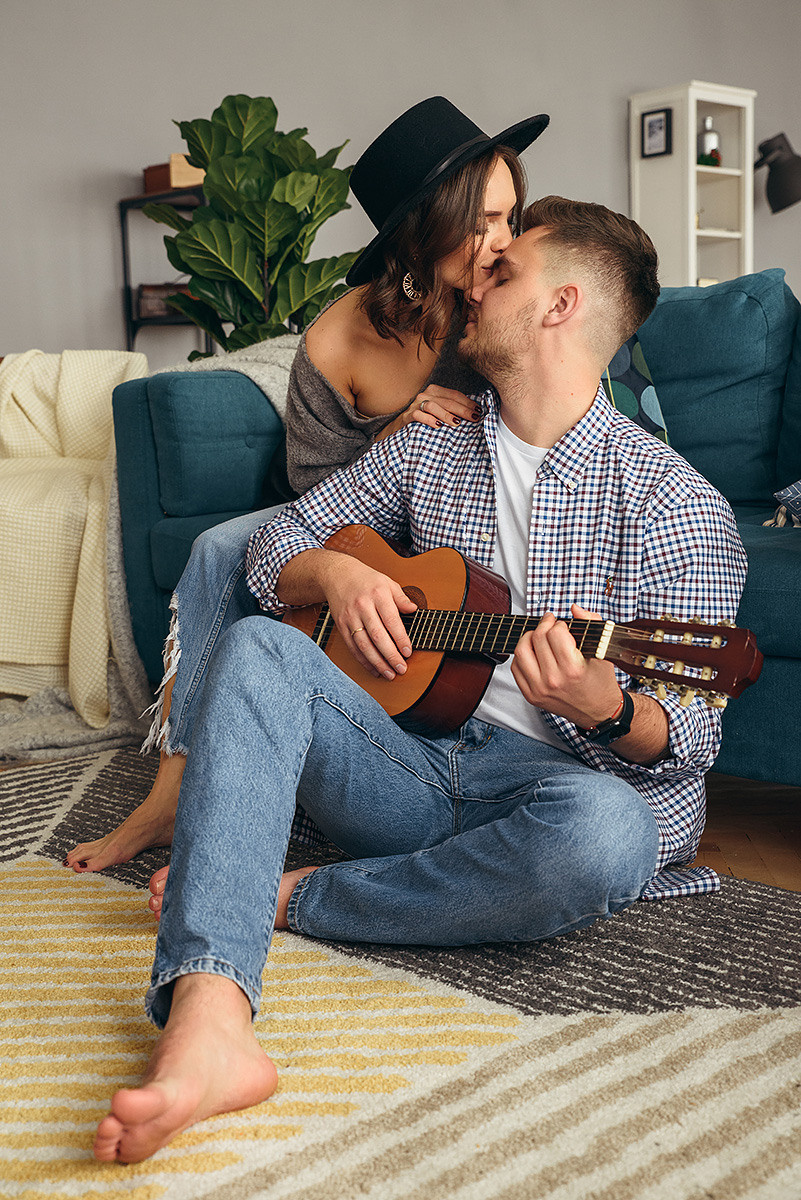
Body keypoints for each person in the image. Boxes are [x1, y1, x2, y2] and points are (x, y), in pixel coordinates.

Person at [93, 196, 747, 1163]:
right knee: (262, 648)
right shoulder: (431, 441)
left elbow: (686, 739)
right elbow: (276, 545)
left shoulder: (675, 508)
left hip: (552, 800)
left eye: (504, 270)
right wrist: (336, 573)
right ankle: (210, 1014)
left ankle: (303, 896)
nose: (475, 277)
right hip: (404, 763)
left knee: (614, 833)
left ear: (562, 306)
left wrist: (604, 707)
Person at [64, 95, 548, 874]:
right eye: (483, 222)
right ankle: (169, 792)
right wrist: (393, 435)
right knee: (222, 547)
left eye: (509, 216)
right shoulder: (337, 338)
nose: (501, 243)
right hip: (359, 525)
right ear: (424, 227)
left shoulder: (504, 303)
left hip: (458, 528)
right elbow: (315, 494)